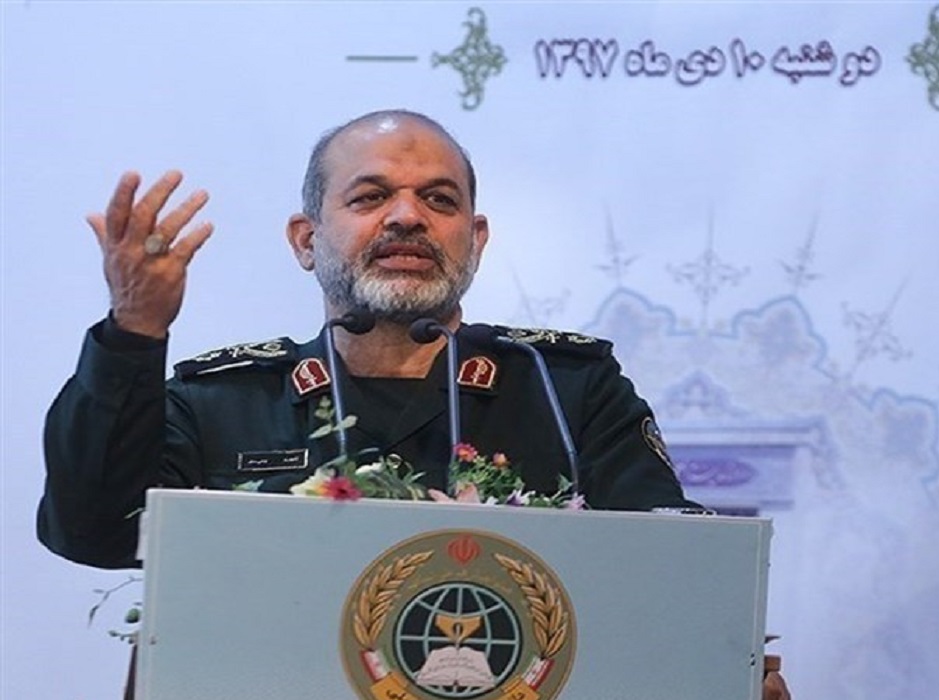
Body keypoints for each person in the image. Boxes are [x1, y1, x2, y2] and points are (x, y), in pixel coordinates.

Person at [38, 109, 791, 700]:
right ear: (306, 240)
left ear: (475, 239)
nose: (407, 217)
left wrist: (719, 659)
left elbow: (672, 567)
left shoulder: (564, 387)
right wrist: (134, 331)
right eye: (370, 197)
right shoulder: (223, 400)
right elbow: (93, 532)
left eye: (439, 199)